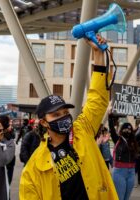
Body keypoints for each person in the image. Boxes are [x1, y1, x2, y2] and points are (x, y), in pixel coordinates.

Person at [19, 35, 118, 200]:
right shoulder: (34, 168)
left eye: (65, 113)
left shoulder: (83, 130)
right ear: (44, 122)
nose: (64, 118)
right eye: (56, 115)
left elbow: (97, 100)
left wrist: (98, 54)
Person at [108, 114, 140, 200]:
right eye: (125, 129)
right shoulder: (117, 139)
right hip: (119, 173)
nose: (127, 130)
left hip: (131, 172)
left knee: (126, 198)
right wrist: (110, 117)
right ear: (121, 130)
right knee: (120, 198)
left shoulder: (134, 140)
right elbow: (112, 130)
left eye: (129, 129)